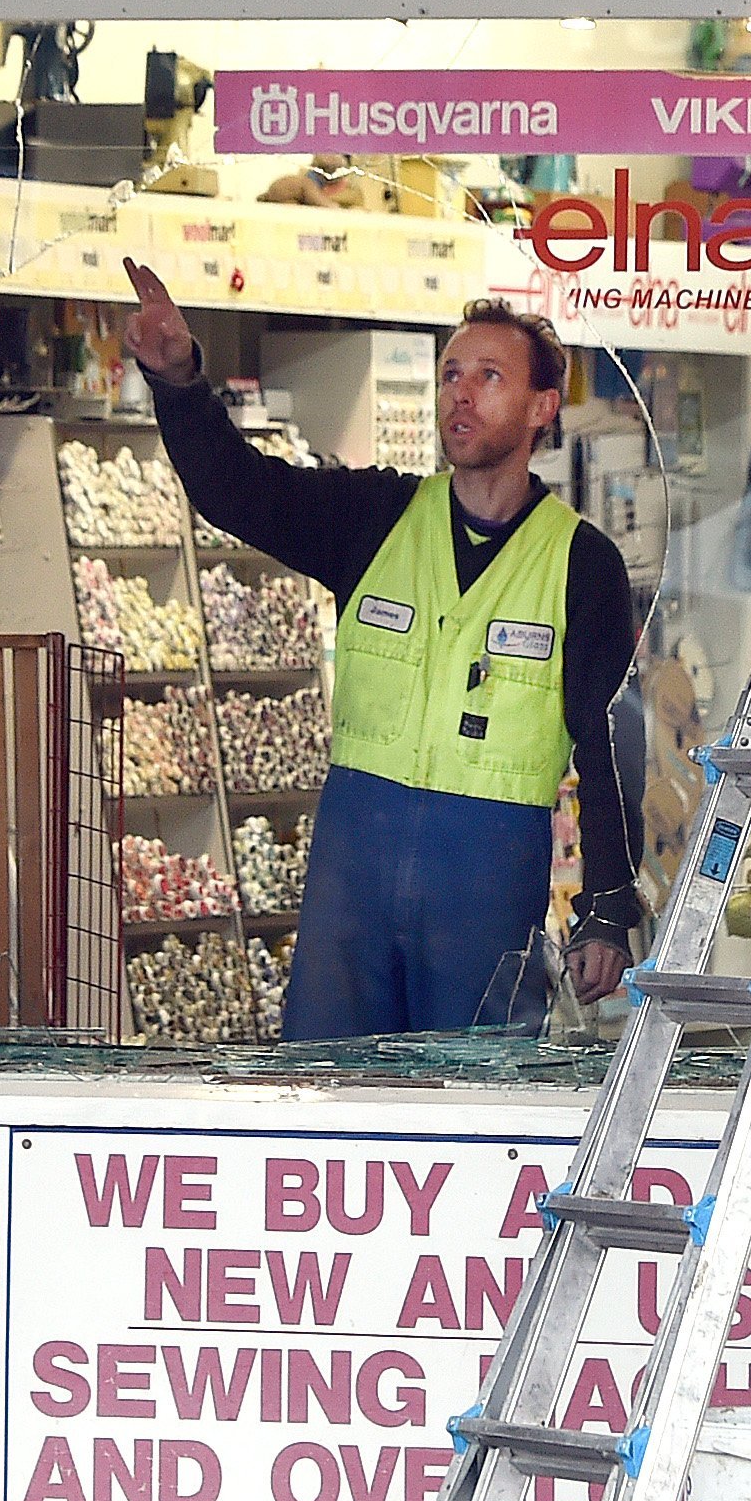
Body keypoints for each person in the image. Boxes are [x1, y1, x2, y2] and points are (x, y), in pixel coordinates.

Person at [121, 259, 641, 1039]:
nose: (459, 395)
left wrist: (605, 906)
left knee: (475, 1099)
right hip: (352, 868)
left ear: (542, 406)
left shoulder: (582, 562)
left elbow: (603, 745)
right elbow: (236, 490)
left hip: (487, 874)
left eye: (488, 376)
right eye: (450, 374)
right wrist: (177, 381)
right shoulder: (374, 516)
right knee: (329, 1090)